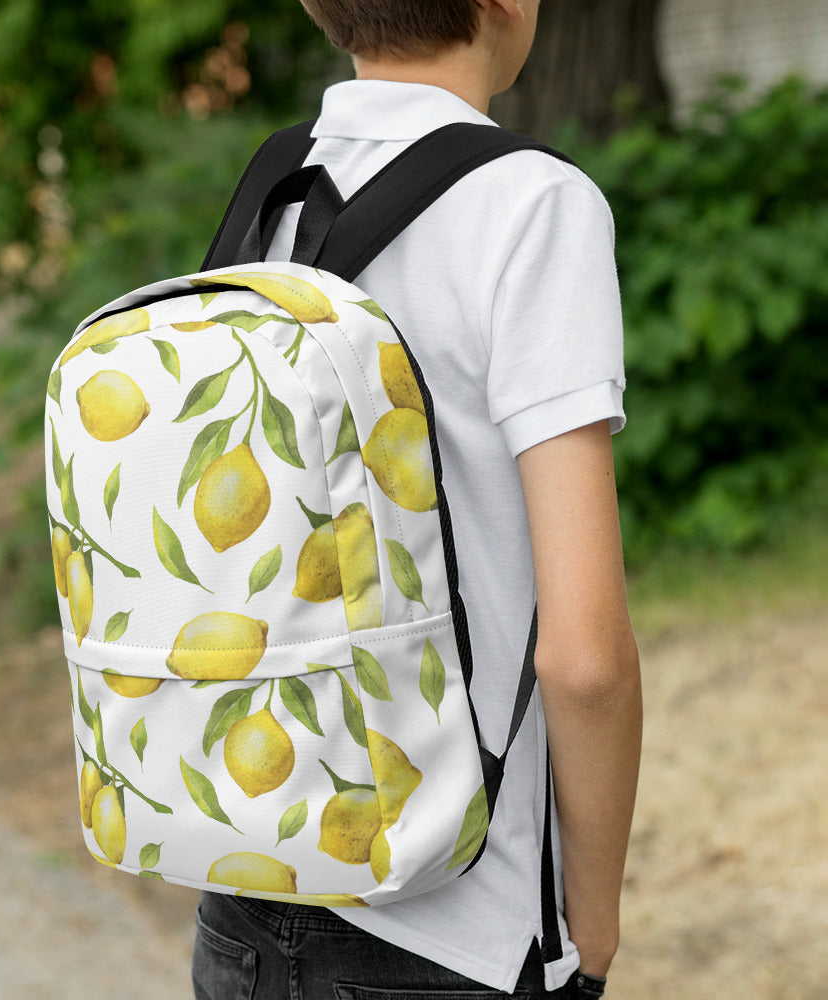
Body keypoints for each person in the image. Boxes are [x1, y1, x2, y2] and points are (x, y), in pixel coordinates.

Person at [191, 1, 642, 997]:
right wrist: (592, 923)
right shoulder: (533, 204)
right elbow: (583, 658)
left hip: (246, 888)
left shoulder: (273, 189)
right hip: (452, 926)